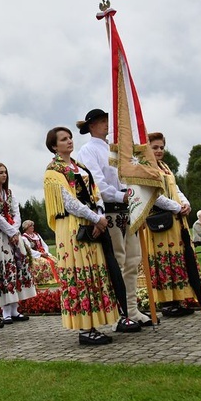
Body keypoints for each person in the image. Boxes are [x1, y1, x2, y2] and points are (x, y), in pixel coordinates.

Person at [43, 126, 120, 346]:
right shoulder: (53, 171)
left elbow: (96, 194)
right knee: (80, 274)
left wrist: (99, 214)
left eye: (70, 138)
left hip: (91, 224)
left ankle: (93, 324)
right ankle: (84, 329)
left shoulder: (80, 167)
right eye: (63, 139)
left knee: (94, 273)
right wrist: (96, 219)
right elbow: (68, 202)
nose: (69, 141)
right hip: (72, 227)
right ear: (54, 146)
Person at [76, 108, 146, 332]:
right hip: (110, 210)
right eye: (102, 121)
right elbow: (97, 184)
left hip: (128, 209)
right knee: (117, 261)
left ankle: (132, 309)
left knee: (133, 260)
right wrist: (120, 195)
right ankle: (119, 313)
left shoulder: (116, 149)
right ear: (91, 126)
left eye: (107, 120)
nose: (107, 124)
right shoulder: (87, 151)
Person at [142, 132, 199, 317]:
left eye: (161, 147)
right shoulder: (145, 168)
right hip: (161, 220)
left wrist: (186, 203)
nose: (159, 151)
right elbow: (153, 195)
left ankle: (179, 298)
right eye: (155, 147)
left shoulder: (165, 167)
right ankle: (167, 303)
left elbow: (176, 188)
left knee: (178, 257)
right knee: (163, 258)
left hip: (175, 219)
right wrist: (176, 207)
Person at [0, 162, 36, 325]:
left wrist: (15, 231)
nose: (4, 175)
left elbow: (17, 213)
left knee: (17, 269)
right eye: (0, 172)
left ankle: (15, 309)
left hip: (12, 236)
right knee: (4, 269)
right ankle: (5, 311)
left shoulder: (9, 193)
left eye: (5, 172)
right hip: (0, 237)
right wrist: (11, 232)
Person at [20, 220, 59, 286]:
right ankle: (46, 279)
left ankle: (58, 277)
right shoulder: (24, 238)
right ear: (26, 228)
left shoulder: (36, 235)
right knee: (44, 263)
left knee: (55, 260)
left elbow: (44, 245)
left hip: (43, 253)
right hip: (35, 256)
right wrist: (40, 254)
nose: (33, 227)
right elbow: (29, 250)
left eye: (33, 225)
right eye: (31, 226)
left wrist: (46, 252)